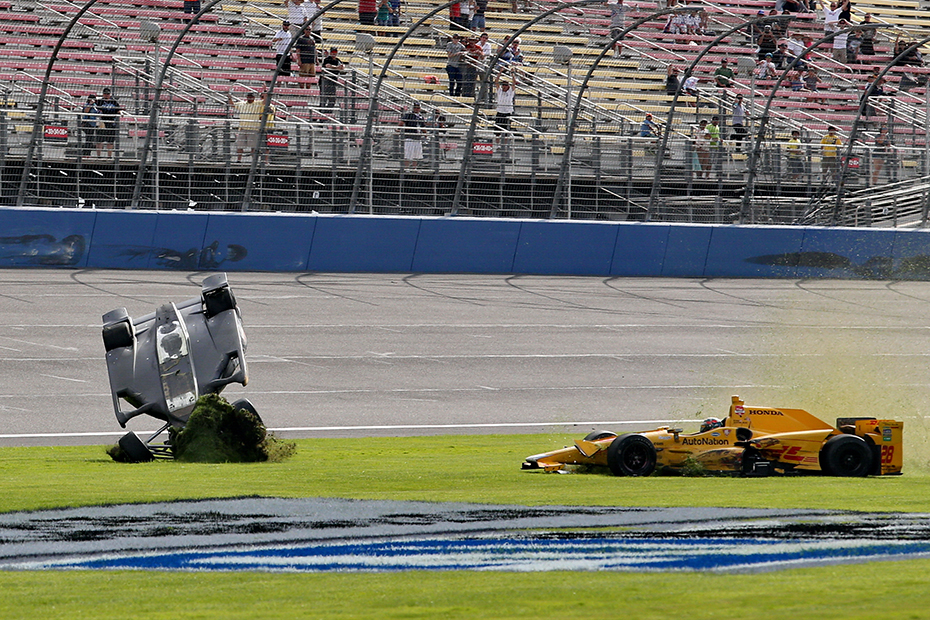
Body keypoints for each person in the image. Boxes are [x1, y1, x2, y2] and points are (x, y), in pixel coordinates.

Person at [228, 91, 266, 163]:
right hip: (243, 128)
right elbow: (233, 105)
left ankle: (254, 161)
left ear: (254, 97)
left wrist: (265, 91)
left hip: (253, 129)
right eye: (249, 96)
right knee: (239, 146)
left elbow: (265, 101)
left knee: (254, 147)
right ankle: (239, 160)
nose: (250, 98)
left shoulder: (258, 103)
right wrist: (230, 98)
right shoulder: (242, 104)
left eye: (251, 96)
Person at [97, 87, 120, 158]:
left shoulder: (114, 102)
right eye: (105, 94)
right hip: (102, 122)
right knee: (99, 140)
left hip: (111, 122)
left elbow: (118, 110)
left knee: (110, 141)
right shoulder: (99, 102)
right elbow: (97, 110)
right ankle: (99, 156)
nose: (106, 95)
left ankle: (109, 156)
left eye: (108, 94)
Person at [494, 72, 516, 144]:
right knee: (497, 131)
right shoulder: (500, 91)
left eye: (505, 85)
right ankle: (498, 145)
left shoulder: (510, 92)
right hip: (500, 112)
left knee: (506, 131)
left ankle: (505, 146)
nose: (504, 86)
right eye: (503, 85)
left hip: (507, 113)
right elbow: (496, 81)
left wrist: (512, 74)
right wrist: (500, 72)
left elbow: (514, 83)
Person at [401, 102, 425, 168]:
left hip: (417, 137)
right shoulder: (409, 115)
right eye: (415, 108)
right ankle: (406, 168)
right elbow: (402, 122)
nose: (416, 109)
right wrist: (399, 128)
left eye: (418, 108)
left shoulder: (421, 116)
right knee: (408, 154)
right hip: (410, 137)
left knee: (416, 154)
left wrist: (425, 134)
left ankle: (414, 168)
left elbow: (423, 127)